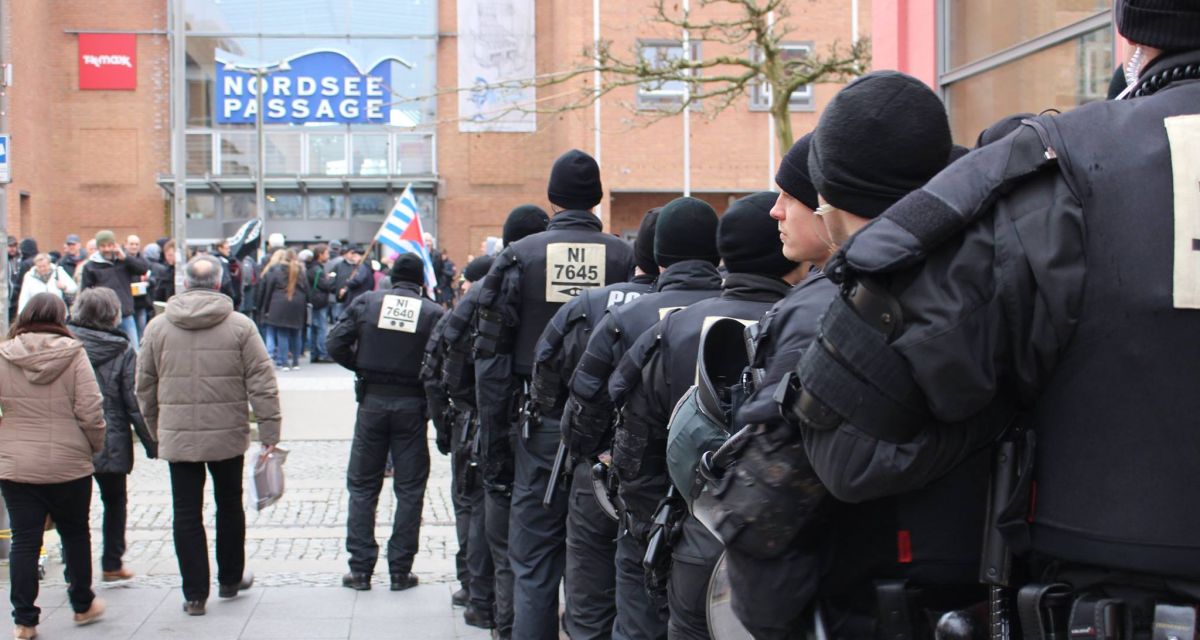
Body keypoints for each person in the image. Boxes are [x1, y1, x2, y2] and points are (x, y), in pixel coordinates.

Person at [778, 6, 1200, 637]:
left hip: (1112, 604)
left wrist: (1007, 406)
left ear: (1134, 33)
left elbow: (846, 443)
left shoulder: (1058, 172)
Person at [712, 72, 987, 638]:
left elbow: (768, 522)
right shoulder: (999, 278)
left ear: (828, 191)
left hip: (865, 609)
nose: (778, 211)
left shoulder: (828, 313)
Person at [611, 192, 804, 639]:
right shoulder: (810, 319)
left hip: (696, 534)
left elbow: (633, 451)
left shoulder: (670, 329)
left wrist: (658, 529)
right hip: (792, 549)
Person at [473, 149, 636, 639]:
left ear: (552, 198)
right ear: (597, 198)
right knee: (602, 560)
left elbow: (491, 359)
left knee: (534, 561)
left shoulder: (519, 257)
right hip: (609, 429)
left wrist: (494, 438)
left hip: (539, 425)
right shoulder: (624, 257)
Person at [557, 199, 727, 640]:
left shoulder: (623, 318)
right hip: (729, 503)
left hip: (639, 498)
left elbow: (584, 408)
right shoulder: (763, 310)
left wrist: (599, 455)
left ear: (658, 256)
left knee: (621, 610)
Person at [530, 207, 661, 640]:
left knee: (590, 594)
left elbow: (553, 374)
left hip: (599, 464)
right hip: (678, 477)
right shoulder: (704, 307)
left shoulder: (592, 304)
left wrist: (581, 443)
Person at [137, 255, 281, 616]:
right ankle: (230, 578)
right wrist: (269, 432)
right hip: (227, 434)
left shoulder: (158, 327)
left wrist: (155, 431)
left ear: (185, 283)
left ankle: (195, 594)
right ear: (219, 284)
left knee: (186, 512)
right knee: (229, 504)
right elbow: (262, 383)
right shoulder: (241, 326)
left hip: (178, 435)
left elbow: (144, 386)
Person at [440, 207, 549, 639]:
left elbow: (448, 353)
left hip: (493, 422)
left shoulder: (488, 289)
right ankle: (495, 610)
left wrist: (463, 413)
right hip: (532, 423)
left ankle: (494, 613)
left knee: (498, 530)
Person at [327, 254, 444, 592]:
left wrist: (361, 365)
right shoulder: (433, 312)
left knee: (363, 487)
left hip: (372, 403)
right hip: (412, 405)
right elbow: (445, 359)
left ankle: (360, 570)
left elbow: (334, 343)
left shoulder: (368, 302)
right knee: (410, 490)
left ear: (392, 277)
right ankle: (400, 571)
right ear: (421, 280)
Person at [0, 293, 108, 638]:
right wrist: (93, 445)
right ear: (61, 317)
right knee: (75, 532)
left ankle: (24, 620)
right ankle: (82, 604)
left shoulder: (4, 354)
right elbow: (91, 409)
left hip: (18, 464)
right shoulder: (74, 354)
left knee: (24, 540)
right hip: (69, 462)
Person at [421, 255, 496, 629]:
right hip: (496, 420)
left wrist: (444, 428)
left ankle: (473, 588)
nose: (463, 285)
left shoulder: (459, 316)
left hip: (469, 422)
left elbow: (433, 375)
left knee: (471, 507)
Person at [68, 287, 157, 583]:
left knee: (73, 508)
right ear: (113, 315)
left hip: (71, 436)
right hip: (110, 436)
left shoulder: (65, 344)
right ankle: (112, 562)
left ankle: (73, 569)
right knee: (115, 501)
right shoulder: (122, 349)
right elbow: (134, 401)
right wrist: (152, 443)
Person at [80, 230, 149, 348]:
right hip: (104, 316)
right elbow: (85, 292)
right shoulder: (90, 266)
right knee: (107, 350)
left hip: (125, 312)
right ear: (98, 247)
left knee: (133, 348)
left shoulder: (124, 261)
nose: (107, 249)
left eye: (109, 245)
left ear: (115, 245)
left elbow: (143, 269)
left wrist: (126, 258)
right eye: (103, 246)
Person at [257, 249, 310, 371]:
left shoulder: (276, 270)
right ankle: (295, 361)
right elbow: (307, 290)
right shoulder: (300, 271)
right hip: (298, 304)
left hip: (279, 304)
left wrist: (265, 307)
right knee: (296, 333)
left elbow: (269, 289)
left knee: (282, 333)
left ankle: (283, 362)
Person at [308, 244, 337, 364]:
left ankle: (314, 353)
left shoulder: (312, 268)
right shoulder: (318, 270)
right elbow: (326, 286)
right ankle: (323, 353)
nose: (328, 256)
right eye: (326, 253)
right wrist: (331, 280)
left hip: (314, 301)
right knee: (321, 328)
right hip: (320, 302)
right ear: (320, 255)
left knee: (315, 328)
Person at [126, 235, 154, 338]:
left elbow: (154, 278)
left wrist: (148, 282)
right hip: (127, 303)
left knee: (141, 331)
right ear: (126, 245)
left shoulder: (145, 262)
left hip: (141, 302)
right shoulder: (121, 262)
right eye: (131, 244)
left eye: (136, 244)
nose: (134, 246)